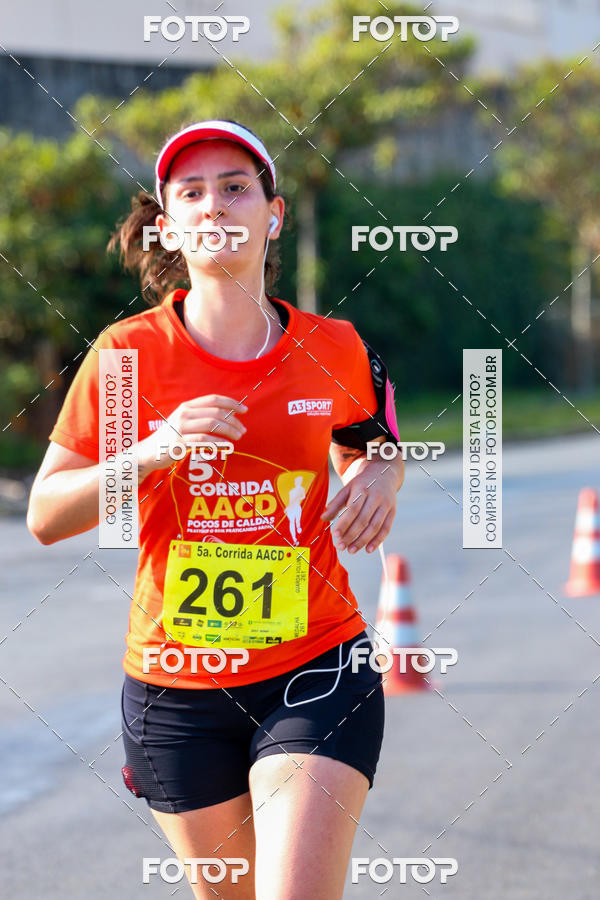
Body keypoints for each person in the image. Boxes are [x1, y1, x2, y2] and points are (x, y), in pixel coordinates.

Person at [27, 119, 405, 899]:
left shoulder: (332, 346)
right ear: (168, 226)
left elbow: (375, 442)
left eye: (236, 187)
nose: (215, 205)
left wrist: (382, 474)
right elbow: (47, 515)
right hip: (174, 689)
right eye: (192, 193)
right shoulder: (127, 356)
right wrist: (152, 451)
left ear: (274, 215)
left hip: (316, 663)